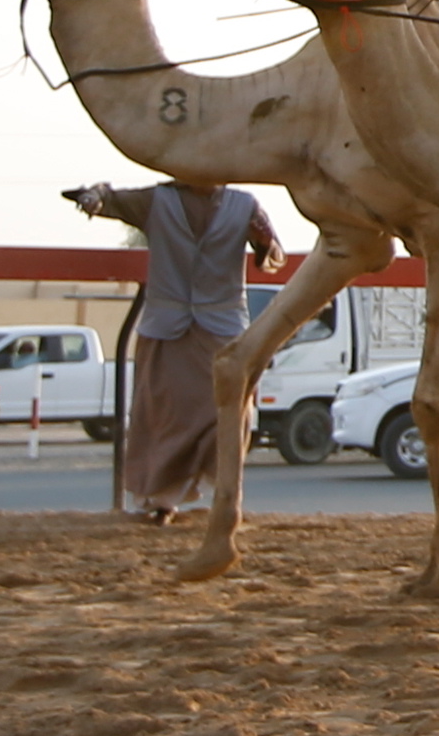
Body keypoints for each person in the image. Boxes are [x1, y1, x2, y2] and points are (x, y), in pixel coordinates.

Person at [66, 175, 279, 522]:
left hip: (221, 329)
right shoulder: (157, 200)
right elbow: (112, 199)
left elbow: (271, 251)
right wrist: (95, 197)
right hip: (168, 327)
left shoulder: (244, 205)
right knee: (161, 415)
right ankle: (161, 499)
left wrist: (264, 241)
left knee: (228, 413)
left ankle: (225, 493)